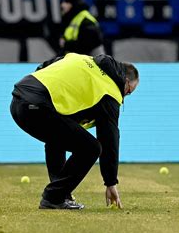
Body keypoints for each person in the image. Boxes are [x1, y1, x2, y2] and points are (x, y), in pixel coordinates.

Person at [10, 52, 140, 210]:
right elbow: (109, 139)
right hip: (37, 106)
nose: (125, 96)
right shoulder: (110, 91)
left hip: (19, 100)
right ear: (126, 81)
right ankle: (53, 197)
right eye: (129, 92)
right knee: (91, 148)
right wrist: (110, 182)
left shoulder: (79, 58)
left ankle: (59, 195)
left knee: (57, 138)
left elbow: (43, 67)